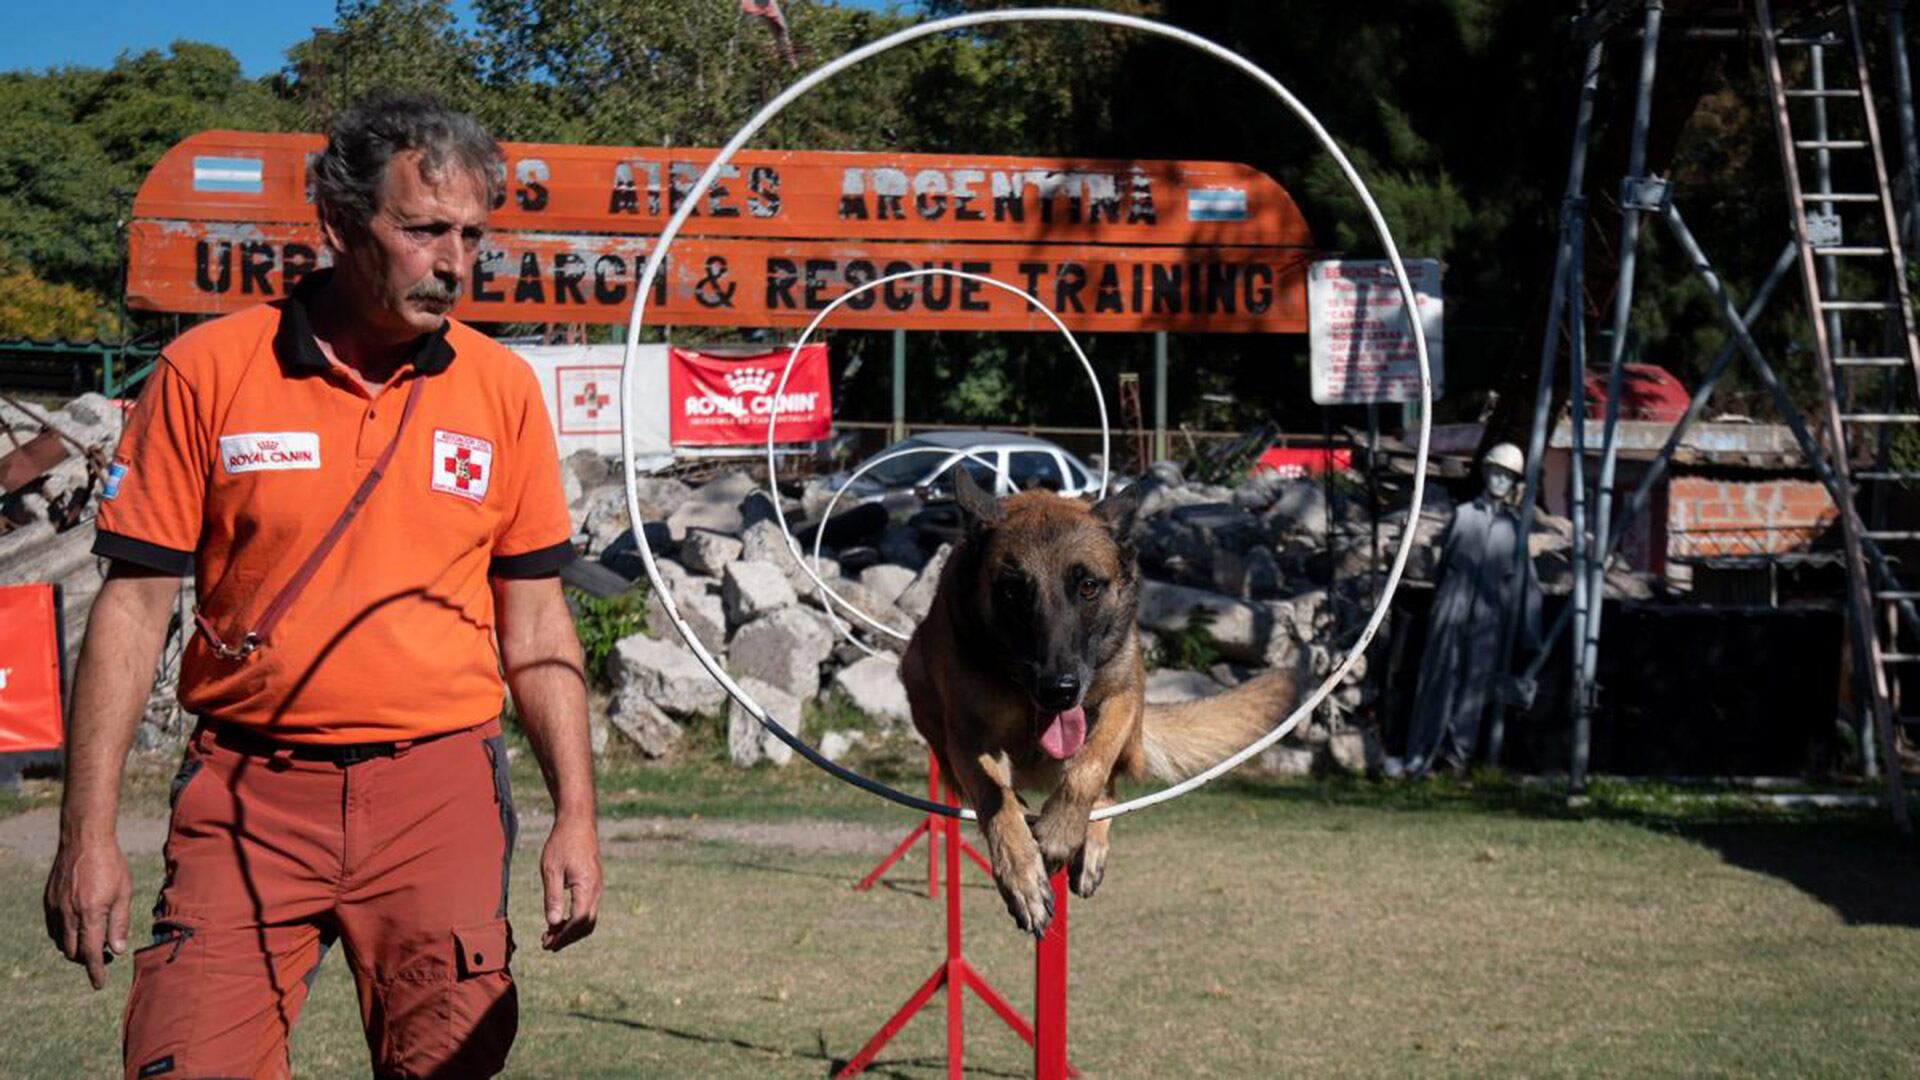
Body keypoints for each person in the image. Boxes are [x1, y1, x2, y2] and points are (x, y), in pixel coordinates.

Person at [41, 89, 602, 1079]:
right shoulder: (205, 371)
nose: (454, 260)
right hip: (248, 790)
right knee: (184, 1059)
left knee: (448, 1063)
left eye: (472, 233)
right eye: (424, 229)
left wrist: (577, 816)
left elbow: (537, 619)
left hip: (441, 792)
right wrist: (85, 833)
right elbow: (131, 611)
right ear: (340, 226)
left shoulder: (501, 389)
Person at [1404, 441, 1542, 778]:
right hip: (1451, 608)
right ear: (1485, 473)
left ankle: (1456, 758)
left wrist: (1529, 632)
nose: (1499, 481)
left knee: (1474, 687)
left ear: (1514, 482)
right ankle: (1423, 753)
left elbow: (1526, 583)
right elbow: (1443, 567)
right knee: (1437, 680)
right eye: (1495, 472)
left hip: (1489, 616)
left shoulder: (1514, 529)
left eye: (1507, 476)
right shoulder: (1463, 516)